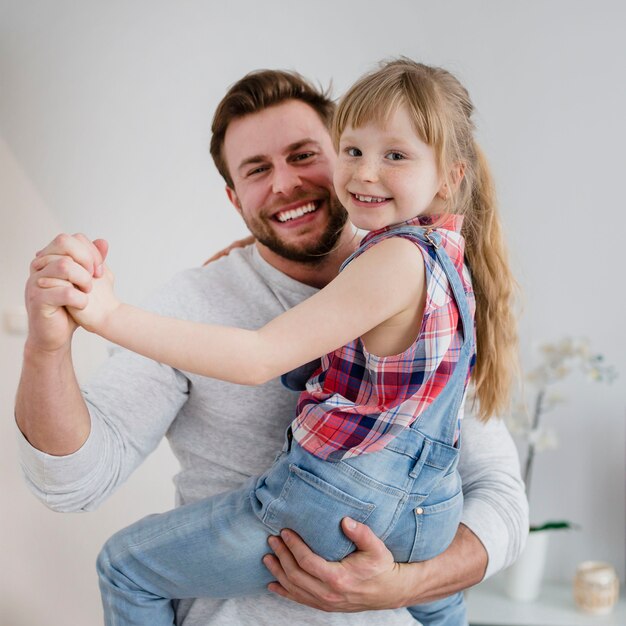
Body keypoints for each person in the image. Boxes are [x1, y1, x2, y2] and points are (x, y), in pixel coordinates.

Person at [16, 63, 528, 626]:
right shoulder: (447, 262)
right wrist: (46, 350)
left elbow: (259, 355)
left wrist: (107, 314)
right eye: (258, 169)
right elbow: (71, 485)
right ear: (235, 200)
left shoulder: (387, 263)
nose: (286, 183)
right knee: (444, 606)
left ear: (445, 175)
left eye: (305, 155)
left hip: (329, 502)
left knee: (123, 566)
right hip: (425, 513)